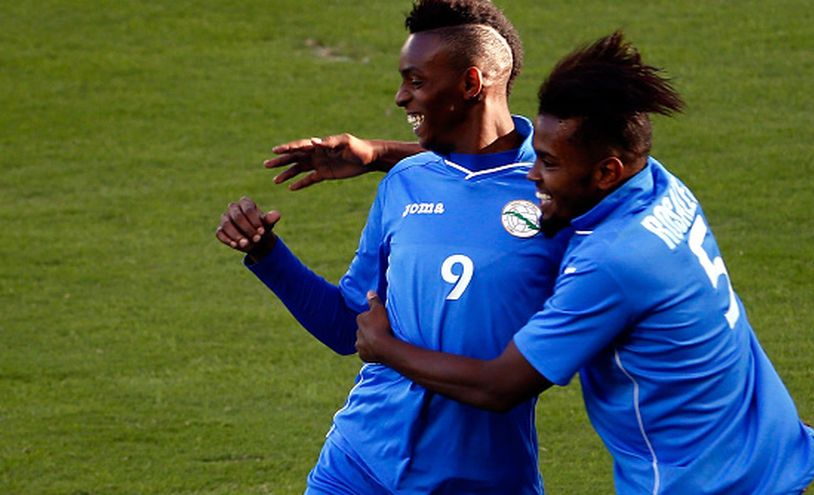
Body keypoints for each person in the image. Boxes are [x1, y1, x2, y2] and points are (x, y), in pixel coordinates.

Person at [354, 32, 814, 494]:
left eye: (549, 164)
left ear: (605, 172)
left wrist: (384, 347)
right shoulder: (659, 186)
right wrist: (383, 155)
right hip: (770, 450)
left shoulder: (612, 262)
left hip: (700, 480)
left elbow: (498, 387)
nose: (531, 175)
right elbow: (523, 168)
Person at [216, 1, 569, 493]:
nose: (402, 97)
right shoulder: (406, 182)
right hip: (357, 465)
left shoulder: (560, 196)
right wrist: (266, 253)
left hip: (481, 478)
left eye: (416, 81)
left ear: (471, 83)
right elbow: (348, 327)